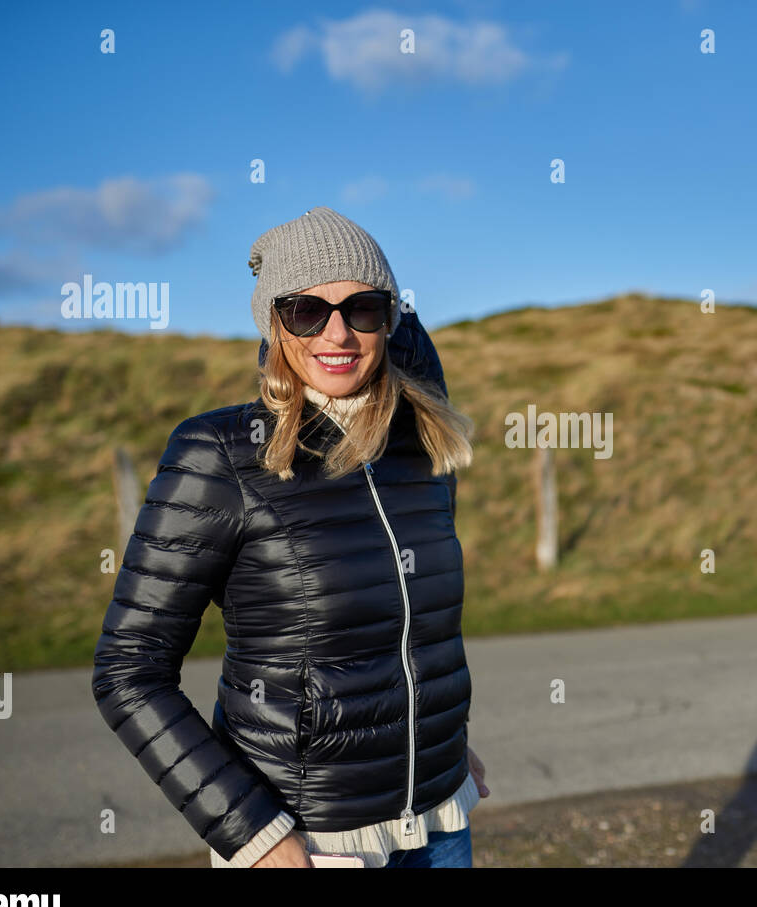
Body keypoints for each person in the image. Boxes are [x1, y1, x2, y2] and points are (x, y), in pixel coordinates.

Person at [92, 206, 487, 868]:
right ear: (273, 324)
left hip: (441, 822)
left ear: (390, 319)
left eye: (364, 308)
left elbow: (418, 632)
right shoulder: (219, 451)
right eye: (305, 309)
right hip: (311, 845)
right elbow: (128, 670)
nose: (338, 331)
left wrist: (441, 742)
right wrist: (254, 832)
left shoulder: (419, 448)